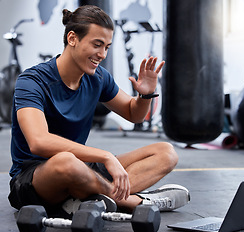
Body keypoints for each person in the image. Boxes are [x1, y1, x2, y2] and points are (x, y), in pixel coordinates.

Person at [8, 5, 189, 217]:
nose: (102, 54)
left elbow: (134, 114)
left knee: (166, 152)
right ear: (72, 38)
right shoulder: (32, 81)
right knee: (66, 161)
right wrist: (105, 157)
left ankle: (93, 199)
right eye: (97, 44)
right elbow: (39, 141)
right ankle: (134, 201)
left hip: (83, 170)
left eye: (107, 47)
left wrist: (145, 95)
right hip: (36, 178)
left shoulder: (98, 77)